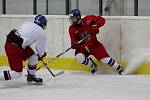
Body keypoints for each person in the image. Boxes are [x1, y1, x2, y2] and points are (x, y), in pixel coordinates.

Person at [68, 9, 123, 74]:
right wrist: (74, 45)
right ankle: (93, 65)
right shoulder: (72, 28)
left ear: (78, 17)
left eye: (73, 18)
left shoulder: (88, 19)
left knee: (106, 60)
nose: (71, 20)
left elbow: (102, 19)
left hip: (94, 45)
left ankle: (119, 67)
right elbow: (74, 42)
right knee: (79, 57)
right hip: (84, 47)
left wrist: (96, 25)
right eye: (71, 18)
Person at [0, 15, 47, 84]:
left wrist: (39, 55)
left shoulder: (26, 23)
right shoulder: (42, 32)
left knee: (33, 57)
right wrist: (42, 55)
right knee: (17, 73)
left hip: (13, 44)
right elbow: (40, 50)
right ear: (43, 23)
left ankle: (31, 76)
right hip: (14, 48)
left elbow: (23, 37)